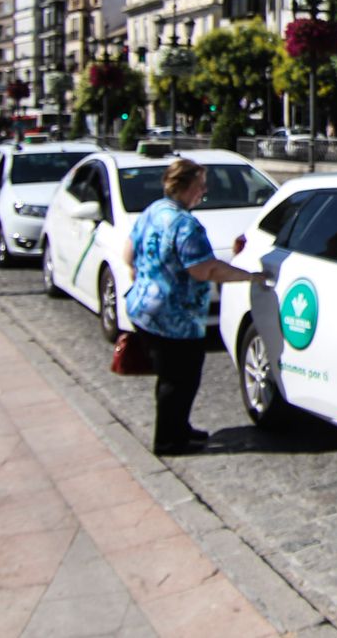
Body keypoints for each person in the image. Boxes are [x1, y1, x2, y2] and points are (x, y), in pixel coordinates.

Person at [122, 158, 261, 456]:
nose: (204, 191)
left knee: (170, 377)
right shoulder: (185, 224)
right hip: (176, 318)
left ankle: (179, 428)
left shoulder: (152, 212)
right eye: (200, 186)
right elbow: (205, 270)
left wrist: (151, 278)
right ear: (186, 187)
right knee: (180, 379)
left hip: (144, 309)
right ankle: (169, 441)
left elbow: (128, 255)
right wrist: (251, 277)